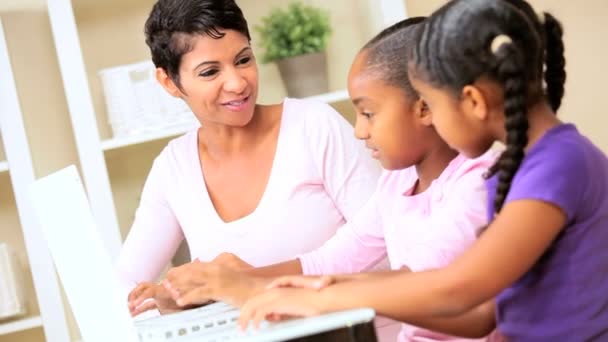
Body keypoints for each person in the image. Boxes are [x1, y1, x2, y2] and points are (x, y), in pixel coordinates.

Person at [236, 0, 608, 340]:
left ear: (473, 101)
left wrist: (330, 297)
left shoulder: (560, 164)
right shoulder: (526, 169)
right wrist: (328, 289)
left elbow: (458, 288)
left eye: (429, 102)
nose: (429, 118)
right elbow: (480, 314)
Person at [161, 17, 498, 341]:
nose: (359, 131)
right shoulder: (397, 184)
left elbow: (423, 288)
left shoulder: (476, 182)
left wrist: (263, 290)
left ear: (424, 108)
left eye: (368, 113)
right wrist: (226, 281)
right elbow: (328, 261)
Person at [119, 0, 380, 316]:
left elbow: (385, 247)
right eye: (210, 71)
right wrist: (174, 299)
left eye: (243, 60)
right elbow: (125, 289)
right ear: (169, 82)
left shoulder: (313, 127)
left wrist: (239, 281)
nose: (237, 83)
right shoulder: (173, 168)